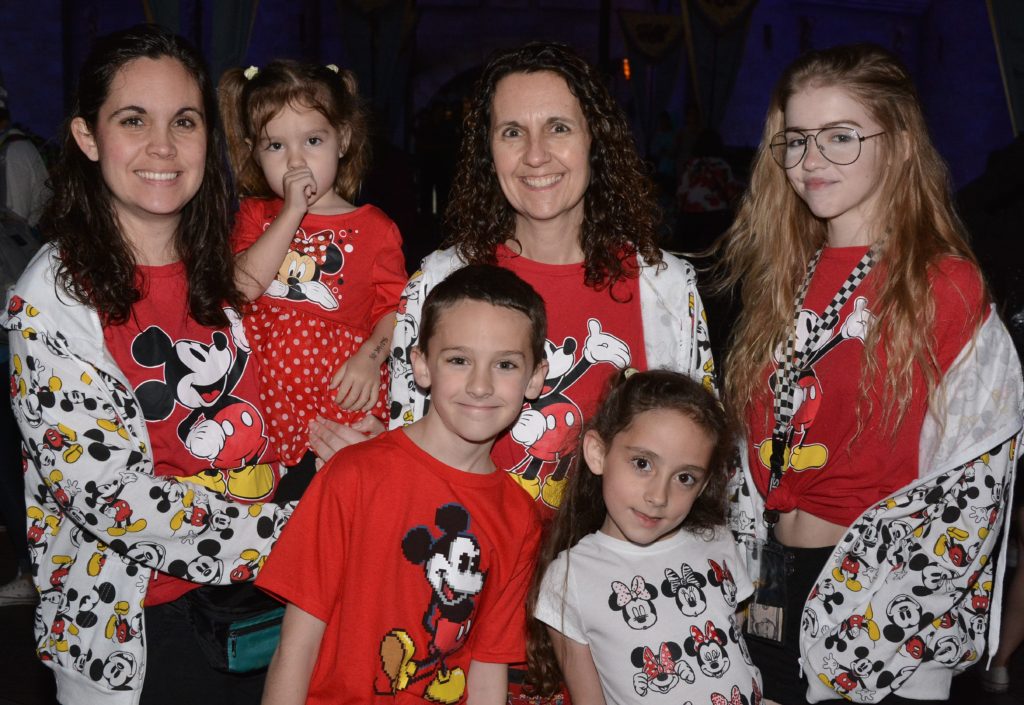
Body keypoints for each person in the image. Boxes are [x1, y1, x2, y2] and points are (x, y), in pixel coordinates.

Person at [3, 25, 300, 705]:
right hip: (137, 625)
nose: (163, 146)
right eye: (133, 120)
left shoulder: (222, 270)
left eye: (184, 121)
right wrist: (301, 530)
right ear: (87, 137)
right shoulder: (52, 299)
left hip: (263, 608)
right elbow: (108, 496)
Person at [719, 44, 1024, 703]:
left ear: (900, 142)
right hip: (769, 586)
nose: (810, 160)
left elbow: (973, 491)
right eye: (796, 140)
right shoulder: (779, 281)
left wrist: (891, 615)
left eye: (841, 137)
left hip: (885, 606)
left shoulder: (945, 285)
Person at [388, 42, 714, 519]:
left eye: (558, 128)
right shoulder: (438, 282)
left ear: (593, 141)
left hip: (615, 584)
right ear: (489, 151)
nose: (535, 155)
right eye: (513, 132)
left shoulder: (665, 288)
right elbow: (405, 449)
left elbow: (702, 454)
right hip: (469, 572)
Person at [256, 264, 548, 705]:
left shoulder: (519, 517)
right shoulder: (352, 475)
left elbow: (489, 668)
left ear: (535, 378)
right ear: (421, 366)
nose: (481, 385)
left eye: (505, 364)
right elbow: (295, 646)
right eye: (459, 360)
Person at [529, 369, 761, 704]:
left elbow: (734, 651)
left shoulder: (717, 541)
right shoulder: (569, 578)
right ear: (598, 453)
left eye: (684, 478)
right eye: (642, 463)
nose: (658, 495)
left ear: (704, 486)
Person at [219, 60, 406, 467]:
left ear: (342, 140)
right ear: (253, 152)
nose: (295, 160)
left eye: (313, 141)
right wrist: (291, 212)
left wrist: (369, 359)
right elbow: (244, 286)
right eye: (276, 146)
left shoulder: (376, 228)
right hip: (262, 404)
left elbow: (396, 311)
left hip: (338, 404)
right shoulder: (256, 215)